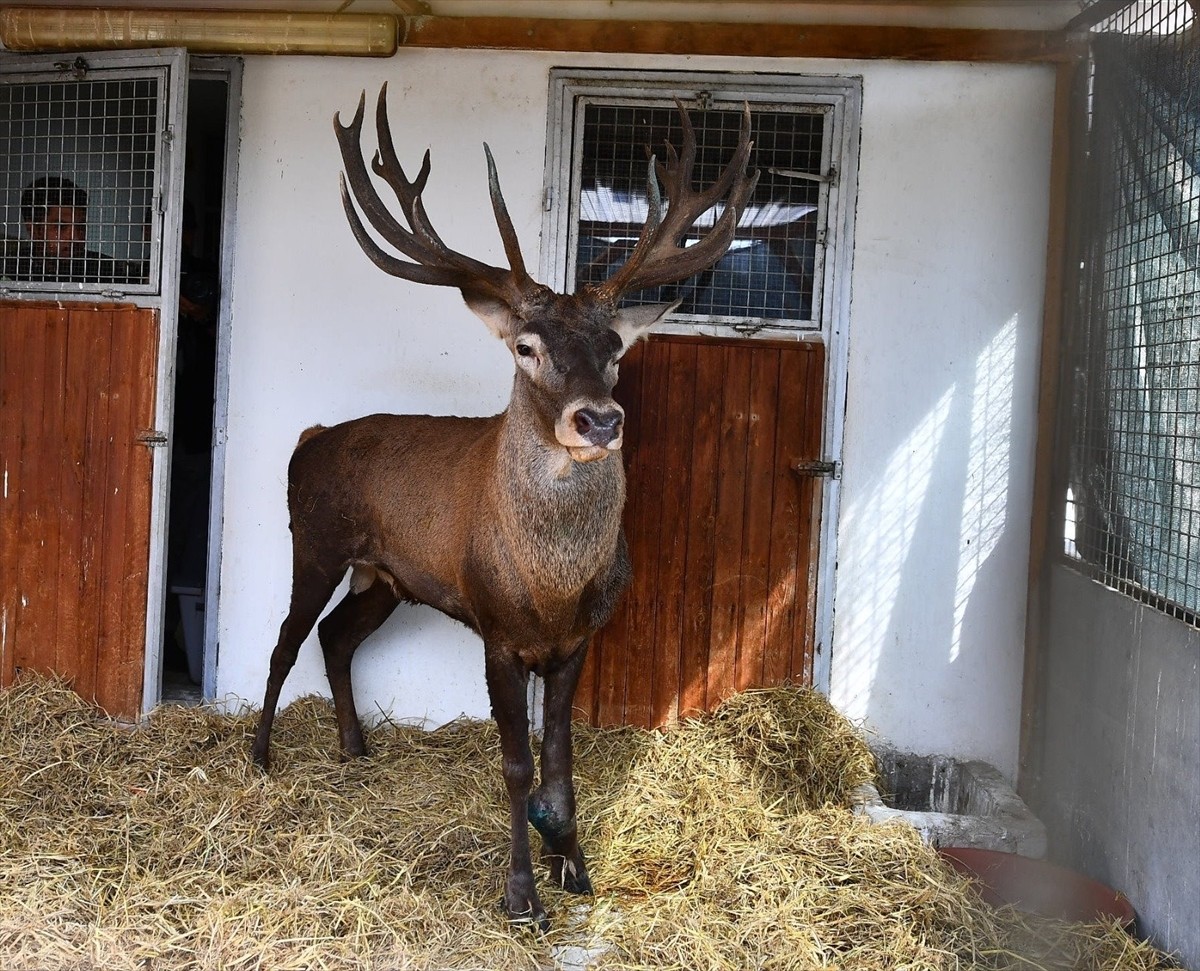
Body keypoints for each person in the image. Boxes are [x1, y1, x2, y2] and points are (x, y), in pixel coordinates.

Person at [3, 175, 141, 284]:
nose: (75, 237)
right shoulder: (11, 270)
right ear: (34, 230)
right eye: (61, 227)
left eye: (80, 226)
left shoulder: (105, 270)